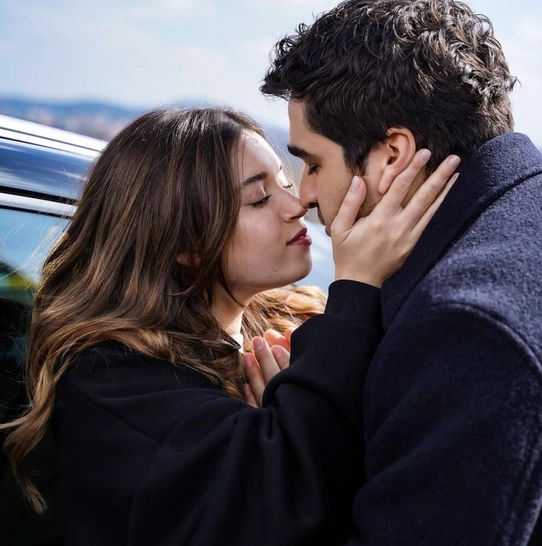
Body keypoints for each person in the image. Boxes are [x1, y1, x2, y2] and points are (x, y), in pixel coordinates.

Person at [261, 1, 542, 543]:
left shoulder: (473, 327)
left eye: (313, 164)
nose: (307, 195)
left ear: (392, 154)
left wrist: (302, 446)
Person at [0, 106, 459, 545]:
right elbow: (276, 512)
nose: (296, 204)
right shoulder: (110, 381)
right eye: (259, 199)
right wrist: (356, 289)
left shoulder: (294, 322)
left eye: (285, 182)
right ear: (185, 242)